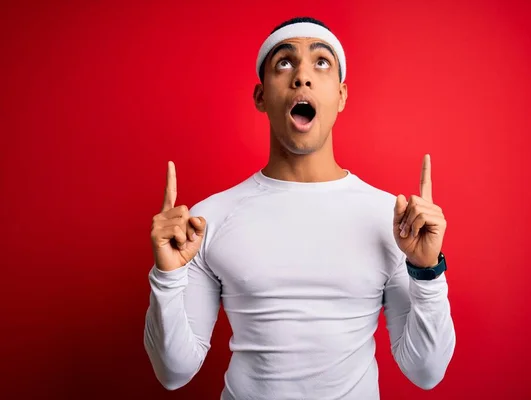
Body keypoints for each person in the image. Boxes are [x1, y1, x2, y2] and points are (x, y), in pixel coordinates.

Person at [144, 16, 456, 400]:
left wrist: (427, 272)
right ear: (261, 97)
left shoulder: (391, 220)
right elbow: (174, 371)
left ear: (341, 96)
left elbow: (426, 371)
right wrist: (167, 277)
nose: (302, 77)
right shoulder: (206, 222)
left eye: (321, 62)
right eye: (285, 63)